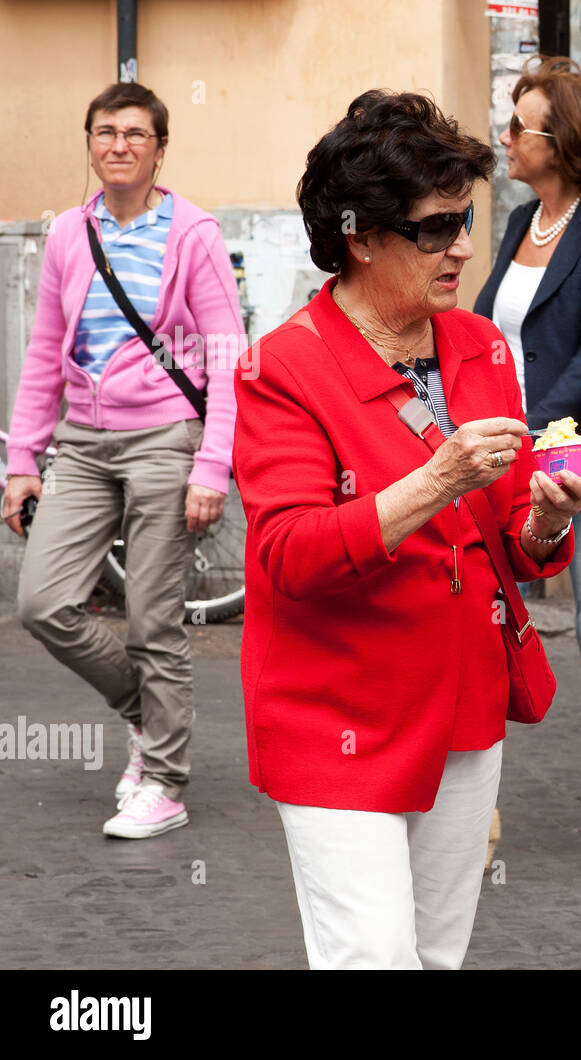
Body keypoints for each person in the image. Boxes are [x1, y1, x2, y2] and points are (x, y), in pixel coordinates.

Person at [234, 90, 581, 969]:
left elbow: (515, 535)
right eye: (436, 229)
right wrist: (437, 480)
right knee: (374, 957)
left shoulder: (479, 346)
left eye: (466, 220)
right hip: (336, 718)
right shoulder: (282, 367)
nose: (464, 247)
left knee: (435, 957)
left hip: (463, 708)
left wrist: (546, 525)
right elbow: (289, 556)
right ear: (361, 236)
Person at [3, 82, 240, 838]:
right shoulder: (71, 234)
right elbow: (45, 352)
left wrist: (212, 466)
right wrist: (22, 459)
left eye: (136, 134)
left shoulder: (192, 234)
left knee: (153, 618)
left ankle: (164, 780)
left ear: (160, 148)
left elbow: (229, 359)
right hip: (83, 440)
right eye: (106, 132)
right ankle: (148, 712)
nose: (119, 145)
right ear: (91, 142)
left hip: (164, 436)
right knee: (43, 602)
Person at [474, 57, 581, 871]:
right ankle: (476, 803)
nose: (504, 137)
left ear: (564, 141)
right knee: (481, 621)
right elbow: (486, 334)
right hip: (500, 451)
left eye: (520, 126)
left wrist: (525, 424)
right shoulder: (517, 223)